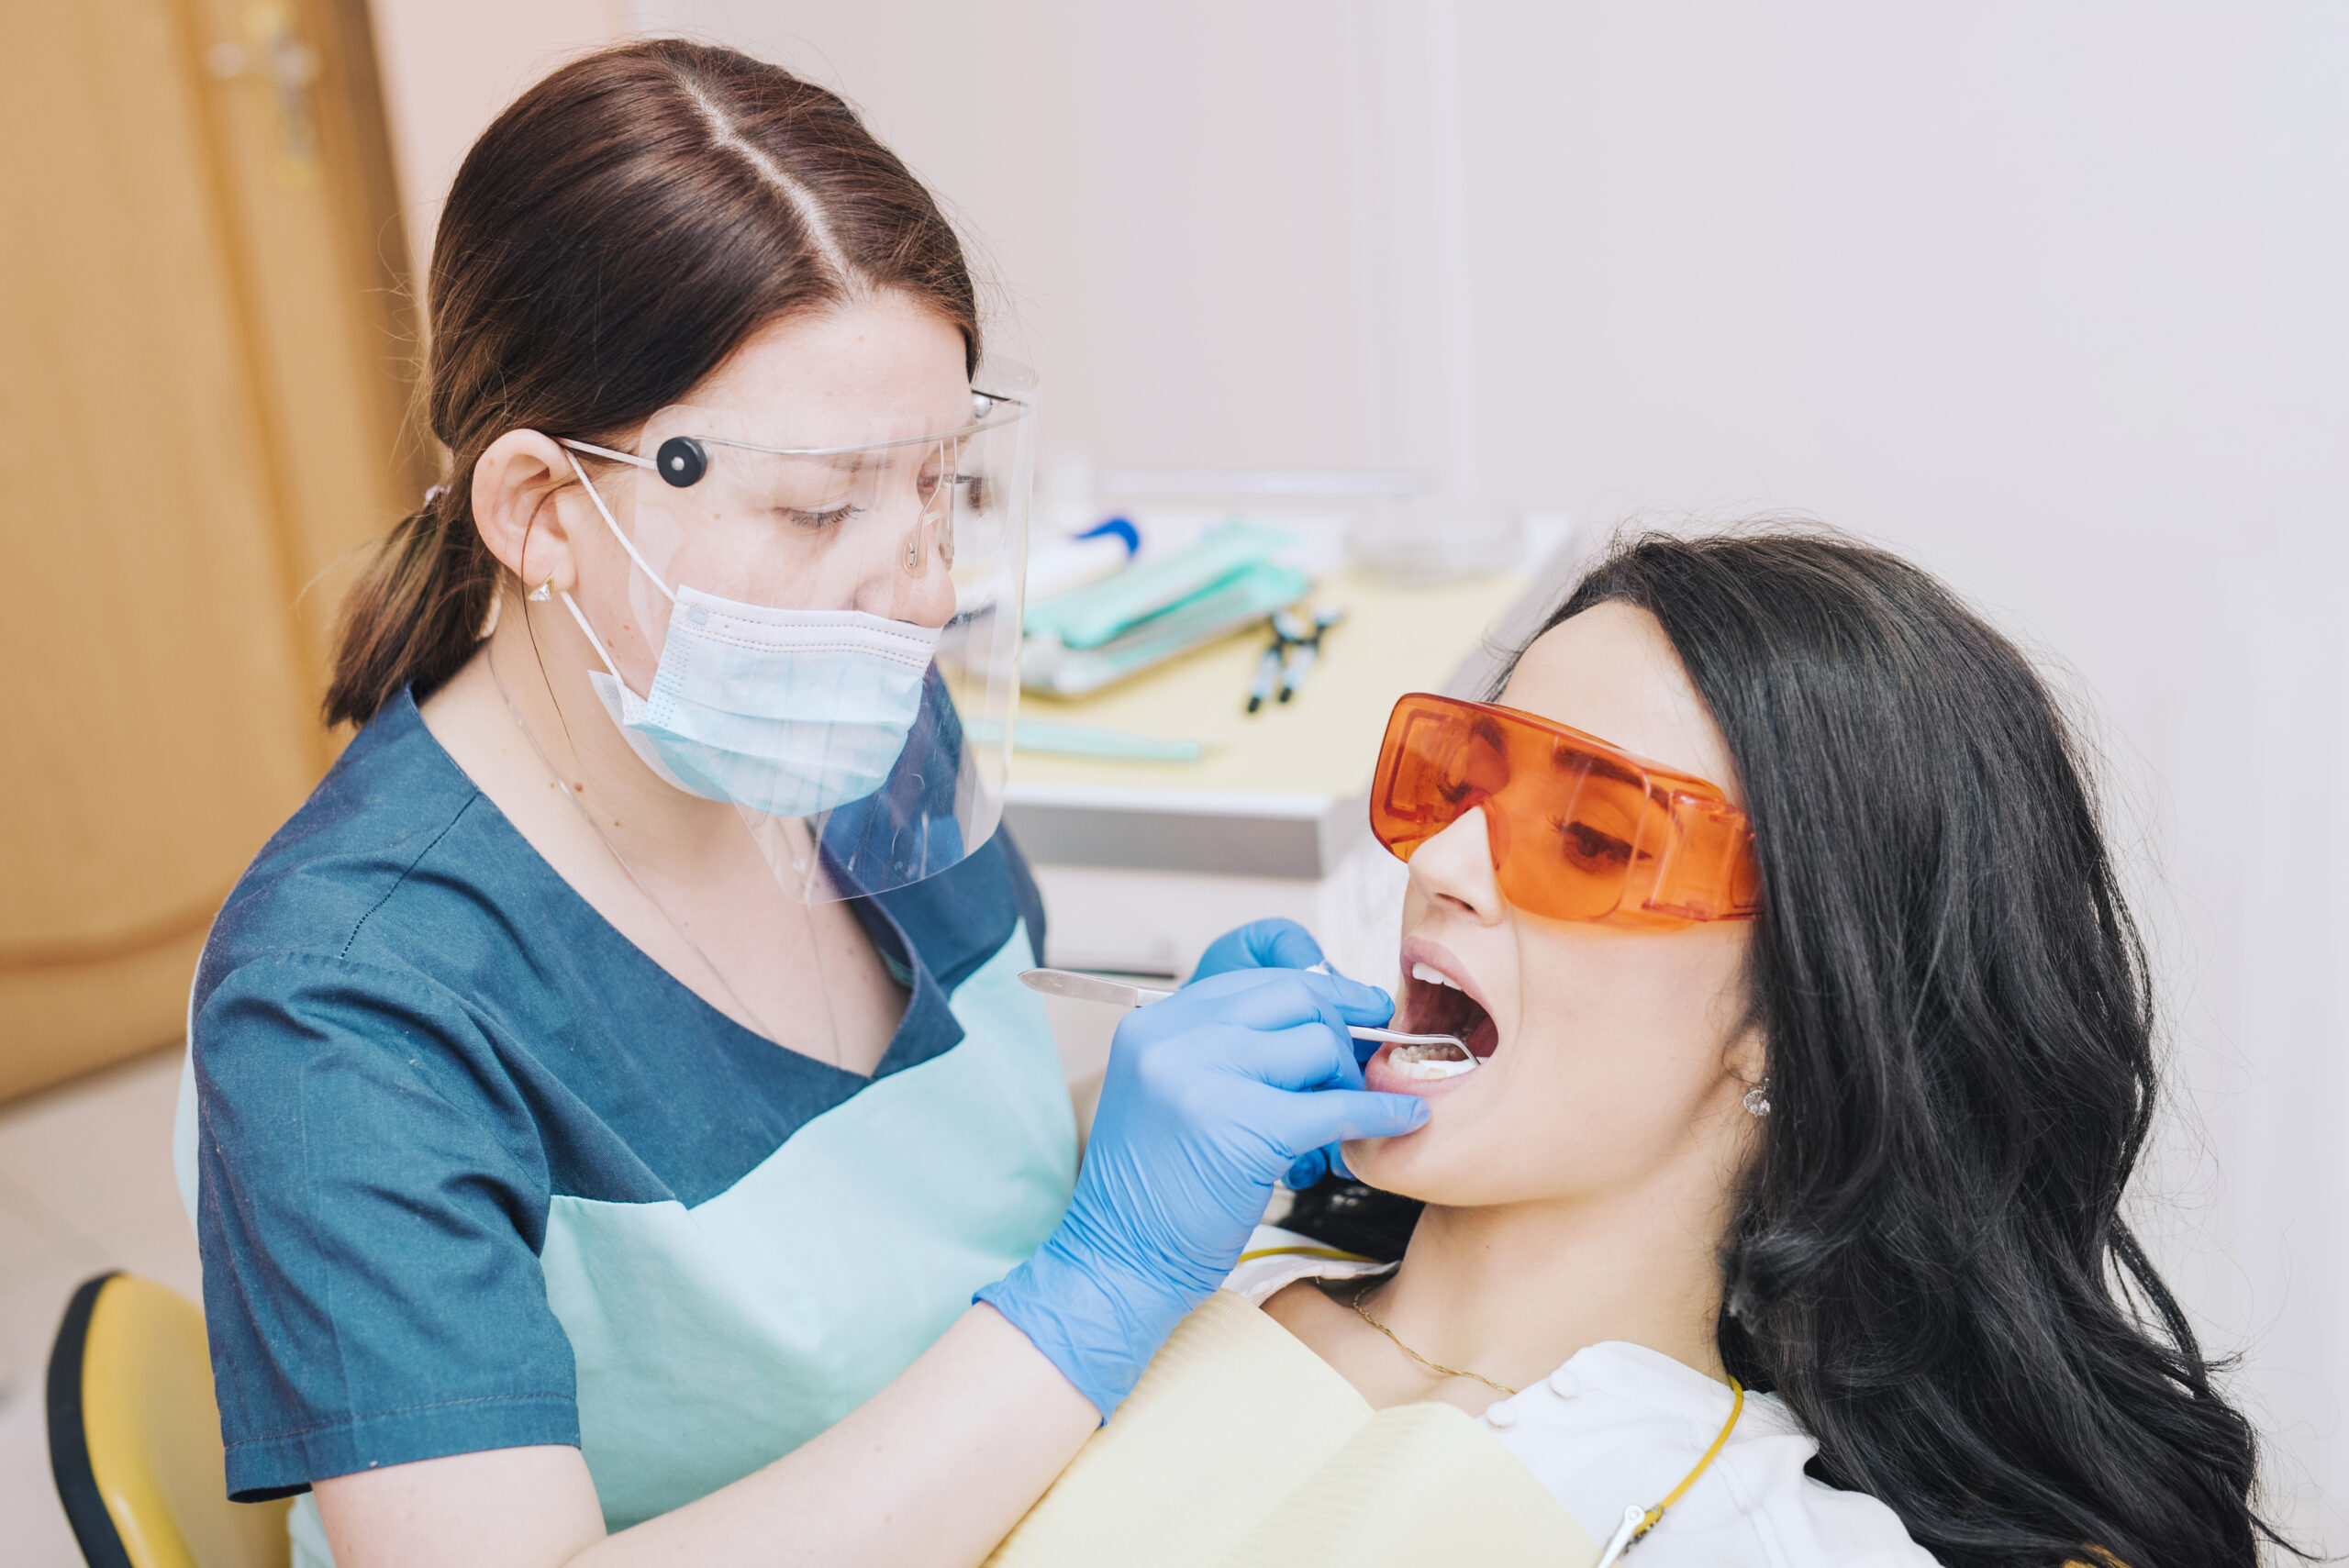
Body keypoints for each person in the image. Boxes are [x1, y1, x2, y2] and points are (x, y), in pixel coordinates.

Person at [175, 39, 1426, 1568]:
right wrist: (1099, 1279)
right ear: (544, 511)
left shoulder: (850, 727)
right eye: (822, 505)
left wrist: (1179, 1115)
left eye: (939, 487)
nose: (919, 595)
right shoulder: (344, 1007)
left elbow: (908, 1185)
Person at [1050, 531, 2291, 1567]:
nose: (1442, 862)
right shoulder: (1161, 1270)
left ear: (1790, 1021)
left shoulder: (1768, 1540)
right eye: (1464, 782)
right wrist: (1088, 1161)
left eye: (1591, 836)